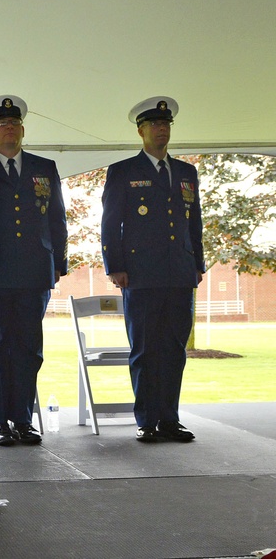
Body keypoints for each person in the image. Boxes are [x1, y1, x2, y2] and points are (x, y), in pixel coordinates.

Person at [101, 96, 204, 443]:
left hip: (179, 273)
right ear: (141, 131)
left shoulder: (187, 172)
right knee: (145, 349)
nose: (162, 130)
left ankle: (170, 419)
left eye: (166, 125)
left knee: (174, 349)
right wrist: (115, 266)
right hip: (141, 275)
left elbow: (195, 225)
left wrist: (198, 264)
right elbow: (110, 223)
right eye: (155, 125)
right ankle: (147, 420)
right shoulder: (124, 171)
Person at [0, 95, 68, 447]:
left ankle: (24, 418)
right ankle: (0, 420)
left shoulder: (43, 167)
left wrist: (58, 264)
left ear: (22, 128)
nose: (9, 128)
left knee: (29, 349)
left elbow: (57, 218)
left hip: (35, 271)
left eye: (14, 123)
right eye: (2, 123)